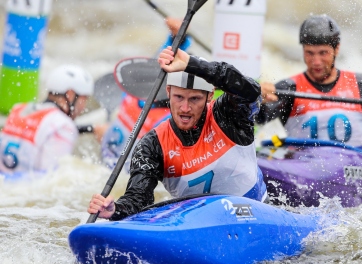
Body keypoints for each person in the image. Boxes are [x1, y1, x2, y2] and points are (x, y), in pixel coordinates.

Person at [88, 46, 267, 220]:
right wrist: (115, 210)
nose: (185, 108)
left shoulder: (227, 116)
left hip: (255, 214)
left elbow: (250, 91)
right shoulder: (152, 145)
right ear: (168, 92)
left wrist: (193, 64)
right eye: (178, 97)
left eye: (194, 99)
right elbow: (138, 200)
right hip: (199, 224)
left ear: (210, 95)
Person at [256, 14, 362, 155]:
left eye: (323, 53)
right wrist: (255, 99)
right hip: (303, 167)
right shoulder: (288, 88)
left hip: (356, 166)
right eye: (309, 53)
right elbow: (258, 120)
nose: (316, 61)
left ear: (336, 49)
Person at [100, 17, 193, 172]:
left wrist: (178, 38)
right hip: (128, 177)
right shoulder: (168, 122)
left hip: (105, 166)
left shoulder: (132, 93)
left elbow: (156, 66)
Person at [0, 64, 94, 173]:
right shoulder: (64, 126)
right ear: (70, 94)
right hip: (19, 186)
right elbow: (49, 177)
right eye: (84, 99)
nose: (84, 107)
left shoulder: (19, 109)